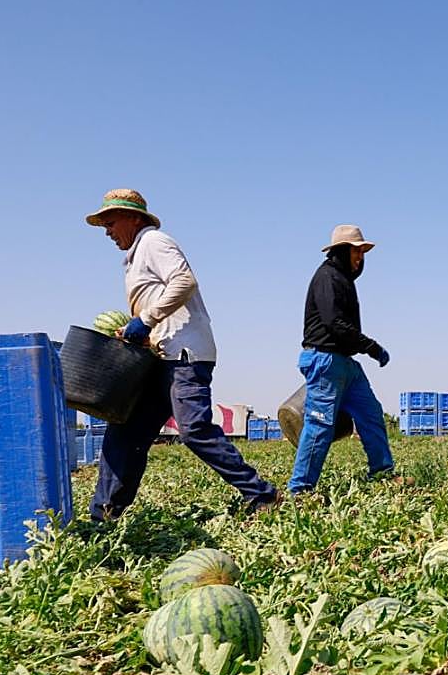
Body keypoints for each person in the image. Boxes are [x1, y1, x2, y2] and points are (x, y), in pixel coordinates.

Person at [85, 189, 280, 520]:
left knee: (193, 430)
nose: (106, 231)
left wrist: (145, 320)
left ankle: (261, 494)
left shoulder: (154, 242)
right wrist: (138, 331)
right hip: (161, 358)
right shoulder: (135, 256)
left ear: (133, 218)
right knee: (125, 432)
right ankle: (104, 514)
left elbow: (184, 281)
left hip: (185, 356)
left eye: (110, 222)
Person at [289, 225, 395, 493]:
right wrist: (370, 346)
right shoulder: (328, 278)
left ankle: (382, 473)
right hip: (325, 359)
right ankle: (300, 490)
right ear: (341, 251)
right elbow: (334, 323)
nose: (361, 257)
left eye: (363, 252)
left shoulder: (343, 279)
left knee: (370, 415)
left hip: (345, 363)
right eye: (356, 251)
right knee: (320, 425)